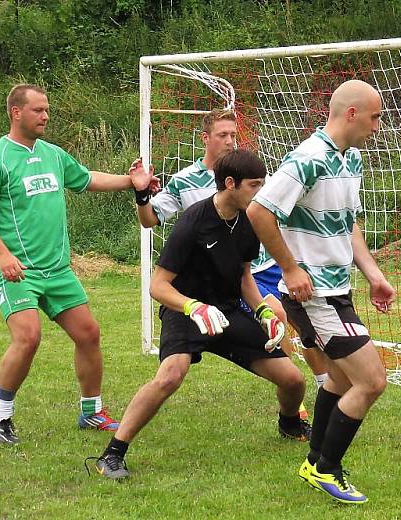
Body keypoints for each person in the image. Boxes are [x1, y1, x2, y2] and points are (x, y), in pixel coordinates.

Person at [89, 149, 310, 480]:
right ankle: (112, 454)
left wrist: (263, 310)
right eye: (254, 185)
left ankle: (290, 423)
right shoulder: (194, 221)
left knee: (294, 380)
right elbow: (158, 286)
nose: (260, 192)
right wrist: (194, 307)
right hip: (185, 308)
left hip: (227, 311)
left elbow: (244, 276)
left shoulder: (250, 220)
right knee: (169, 376)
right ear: (230, 184)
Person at [248, 79, 395, 504]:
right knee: (371, 381)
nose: (378, 125)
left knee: (339, 376)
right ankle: (328, 469)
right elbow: (260, 211)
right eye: (375, 116)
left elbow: (348, 226)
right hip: (312, 293)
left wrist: (373, 274)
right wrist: (290, 269)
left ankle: (315, 461)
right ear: (351, 113)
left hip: (338, 288)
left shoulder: (351, 160)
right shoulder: (308, 158)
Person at [0, 84, 158, 445]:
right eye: (38, 110)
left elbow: (87, 179)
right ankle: (0, 417)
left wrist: (132, 181)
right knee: (28, 337)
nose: (45, 116)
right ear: (16, 113)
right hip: (16, 270)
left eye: (47, 109)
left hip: (58, 270)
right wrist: (2, 254)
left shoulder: (52, 154)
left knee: (88, 333)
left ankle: (91, 411)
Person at [136, 108, 328, 418]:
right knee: (171, 373)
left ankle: (297, 402)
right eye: (222, 135)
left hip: (248, 272)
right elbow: (150, 221)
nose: (229, 141)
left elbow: (253, 251)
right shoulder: (187, 186)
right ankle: (116, 449)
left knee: (276, 315)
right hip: (199, 288)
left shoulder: (247, 180)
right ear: (205, 138)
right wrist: (142, 195)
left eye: (233, 135)